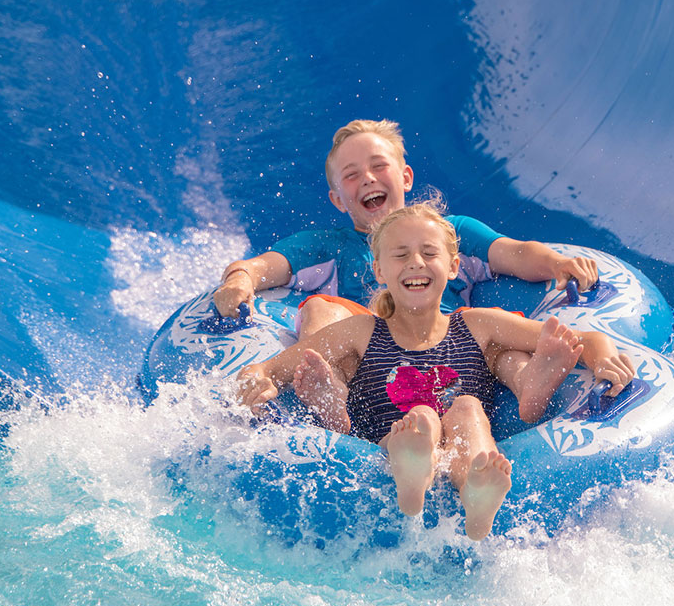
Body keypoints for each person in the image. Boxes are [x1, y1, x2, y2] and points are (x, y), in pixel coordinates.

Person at [237, 204, 639, 541]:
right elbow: (272, 369)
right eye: (400, 255)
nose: (416, 262)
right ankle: (414, 471)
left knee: (466, 407)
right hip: (384, 438)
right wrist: (259, 380)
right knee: (423, 420)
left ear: (453, 267)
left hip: (457, 434)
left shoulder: (477, 324)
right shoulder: (359, 332)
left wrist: (602, 356)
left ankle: (477, 492)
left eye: (429, 253)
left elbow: (585, 338)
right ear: (379, 270)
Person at [215, 118, 601, 410]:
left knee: (493, 333)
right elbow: (263, 265)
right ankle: (329, 390)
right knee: (321, 310)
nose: (367, 178)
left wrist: (555, 264)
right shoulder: (328, 245)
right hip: (369, 360)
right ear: (337, 200)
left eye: (378, 166)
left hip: (453, 352)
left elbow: (513, 252)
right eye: (351, 175)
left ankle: (528, 383)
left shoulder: (449, 233)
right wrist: (239, 281)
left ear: (405, 177)